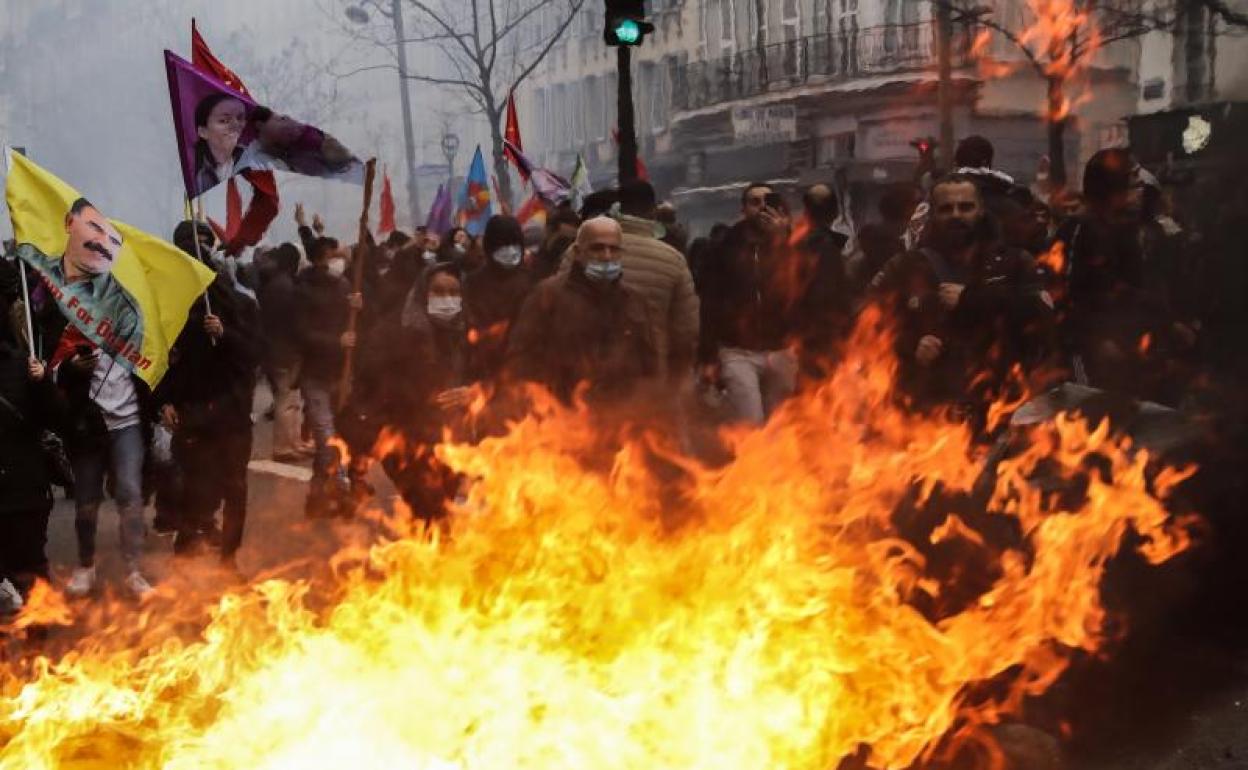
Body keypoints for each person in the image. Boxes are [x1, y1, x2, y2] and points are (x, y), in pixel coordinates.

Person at [869, 175, 1055, 427]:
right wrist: (910, 344)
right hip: (929, 413)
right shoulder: (906, 266)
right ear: (933, 214)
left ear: (980, 210)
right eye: (946, 209)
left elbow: (1043, 315)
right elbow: (869, 324)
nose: (956, 215)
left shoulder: (1014, 262)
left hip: (1000, 405)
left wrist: (973, 300)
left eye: (965, 207)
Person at [160, 221, 262, 569]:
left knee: (235, 487)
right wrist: (163, 401)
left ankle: (229, 558)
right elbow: (160, 361)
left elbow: (254, 355)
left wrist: (226, 333)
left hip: (232, 414)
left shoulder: (240, 306)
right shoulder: (170, 311)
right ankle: (189, 540)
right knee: (196, 485)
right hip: (193, 413)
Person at [506, 217, 656, 404]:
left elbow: (650, 367)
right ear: (578, 252)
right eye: (597, 248)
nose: (607, 256)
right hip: (562, 417)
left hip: (620, 417)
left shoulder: (635, 301)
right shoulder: (547, 296)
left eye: (614, 249)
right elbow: (521, 358)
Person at [697, 182, 803, 425]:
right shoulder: (724, 248)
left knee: (781, 426)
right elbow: (710, 302)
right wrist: (707, 356)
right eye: (754, 202)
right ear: (743, 209)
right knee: (751, 424)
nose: (762, 208)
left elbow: (801, 286)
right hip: (738, 350)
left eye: (768, 202)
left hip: (780, 349)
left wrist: (782, 240)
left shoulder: (790, 245)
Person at [588, 180, 699, 382]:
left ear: (617, 208)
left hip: (589, 371)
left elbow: (559, 305)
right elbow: (686, 330)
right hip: (650, 373)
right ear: (652, 211)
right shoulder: (673, 259)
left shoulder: (580, 251)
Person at [0, 265, 64, 604]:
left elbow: (55, 417)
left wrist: (43, 385)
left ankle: (37, 650)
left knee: (30, 575)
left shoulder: (25, 363)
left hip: (24, 492)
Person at [16, 198, 144, 361]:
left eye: (114, 241)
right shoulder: (32, 281)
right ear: (69, 222)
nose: (103, 244)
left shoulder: (125, 309)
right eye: (95, 227)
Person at [295, 234, 360, 517]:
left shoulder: (345, 286)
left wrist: (358, 307)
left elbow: (358, 325)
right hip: (315, 374)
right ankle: (342, 490)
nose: (341, 257)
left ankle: (317, 495)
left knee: (340, 434)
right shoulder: (301, 290)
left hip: (342, 374)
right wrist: (337, 341)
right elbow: (301, 334)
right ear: (323, 256)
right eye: (335, 253)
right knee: (326, 435)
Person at [463, 215, 536, 383]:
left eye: (514, 244)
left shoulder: (532, 280)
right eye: (502, 245)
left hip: (523, 367)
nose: (510, 251)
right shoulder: (473, 282)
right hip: (483, 367)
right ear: (490, 247)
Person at [257, 242, 309, 462]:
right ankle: (283, 446)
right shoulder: (285, 287)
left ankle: (293, 442)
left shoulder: (274, 284)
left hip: (278, 349)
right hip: (285, 351)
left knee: (292, 400)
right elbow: (292, 323)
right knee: (287, 400)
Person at [794, 183, 853, 368]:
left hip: (801, 335)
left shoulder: (793, 245)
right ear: (835, 212)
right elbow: (828, 294)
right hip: (823, 337)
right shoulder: (828, 248)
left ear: (806, 212)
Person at [193, 93, 248, 195]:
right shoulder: (195, 175)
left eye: (240, 118)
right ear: (203, 132)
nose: (236, 125)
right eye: (224, 121)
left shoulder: (255, 162)